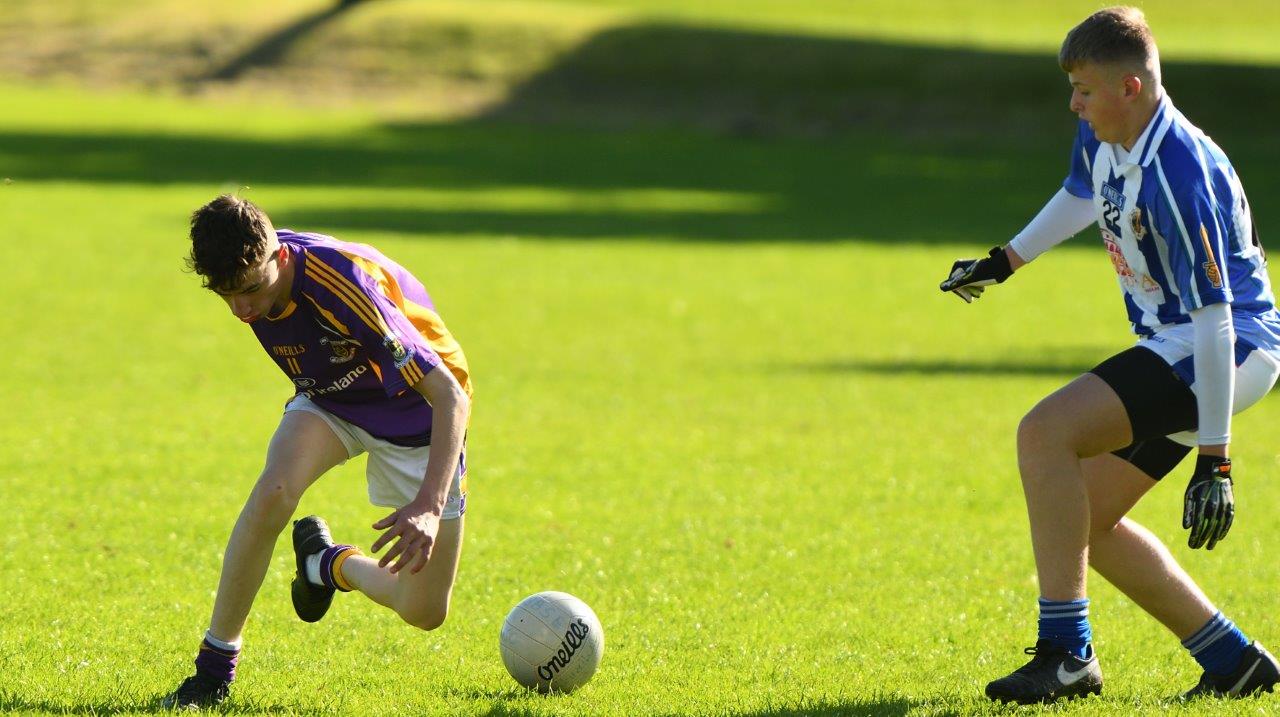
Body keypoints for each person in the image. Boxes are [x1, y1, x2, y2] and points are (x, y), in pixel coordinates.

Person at [940, 6, 1280, 705]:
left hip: (1228, 346)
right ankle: (1235, 661)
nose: (1074, 103)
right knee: (1088, 517)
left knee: (1046, 431)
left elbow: (1217, 319)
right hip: (1182, 341)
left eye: (1085, 90)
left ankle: (1067, 653)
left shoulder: (1182, 170)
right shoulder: (1105, 133)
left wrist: (1216, 457)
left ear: (1132, 88)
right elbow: (1079, 194)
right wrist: (1004, 262)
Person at [162, 194, 473, 709]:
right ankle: (214, 668)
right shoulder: (248, 259)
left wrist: (429, 507)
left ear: (279, 257)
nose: (241, 309)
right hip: (333, 399)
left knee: (423, 611)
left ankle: (329, 565)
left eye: (250, 291)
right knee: (273, 492)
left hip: (418, 409)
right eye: (224, 295)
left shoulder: (344, 285)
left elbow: (449, 396)